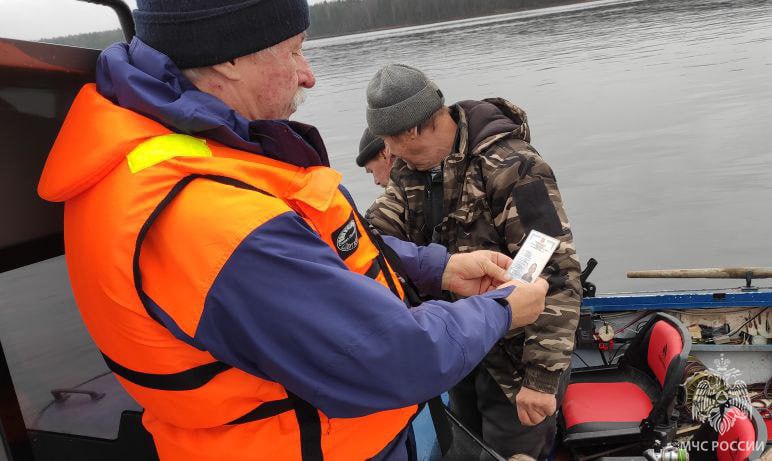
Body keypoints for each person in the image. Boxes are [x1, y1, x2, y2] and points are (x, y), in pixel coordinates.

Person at [36, 2, 549, 460]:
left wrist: (437, 266)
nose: (309, 76)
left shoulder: (179, 150)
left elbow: (309, 246)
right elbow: (388, 357)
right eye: (294, 51)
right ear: (228, 58)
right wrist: (502, 310)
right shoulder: (204, 217)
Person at [365, 64, 582, 460]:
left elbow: (555, 271)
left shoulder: (514, 168)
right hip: (462, 349)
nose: (390, 155)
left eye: (391, 142)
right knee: (462, 450)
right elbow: (373, 237)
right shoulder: (409, 171)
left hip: (517, 366)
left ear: (412, 130)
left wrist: (541, 378)